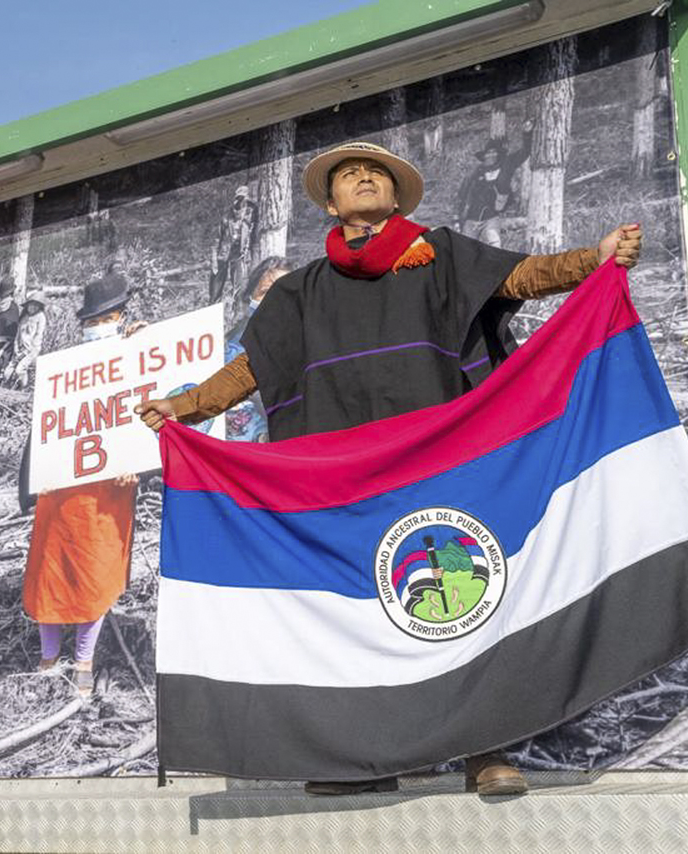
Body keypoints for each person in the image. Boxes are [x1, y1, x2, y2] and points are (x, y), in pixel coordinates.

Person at [136, 140, 642, 796]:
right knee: (356, 613)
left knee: (458, 602)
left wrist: (592, 261)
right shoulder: (296, 294)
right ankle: (360, 764)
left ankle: (482, 752)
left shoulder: (440, 257)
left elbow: (521, 277)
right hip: (341, 484)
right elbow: (252, 368)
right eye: (349, 176)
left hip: (441, 469)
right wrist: (186, 405)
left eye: (376, 173)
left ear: (396, 196)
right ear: (330, 202)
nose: (364, 179)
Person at [19, 273, 141, 697]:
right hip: (61, 485)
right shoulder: (65, 367)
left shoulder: (135, 354)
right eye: (96, 319)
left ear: (121, 317)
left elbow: (143, 414)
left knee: (95, 576)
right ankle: (48, 661)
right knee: (51, 574)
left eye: (108, 317)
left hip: (109, 489)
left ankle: (82, 664)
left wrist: (138, 464)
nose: (100, 326)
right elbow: (45, 425)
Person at [224, 256, 291, 443]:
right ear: (249, 300)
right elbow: (234, 410)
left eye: (284, 292)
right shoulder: (232, 350)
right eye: (265, 292)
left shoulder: (313, 337)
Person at [455, 120, 534, 247]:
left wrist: (527, 133)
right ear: (484, 156)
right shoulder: (476, 173)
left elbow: (525, 152)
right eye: (488, 152)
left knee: (494, 246)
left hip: (491, 218)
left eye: (494, 152)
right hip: (471, 218)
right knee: (464, 249)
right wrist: (457, 220)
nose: (491, 154)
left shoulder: (506, 165)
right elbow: (462, 196)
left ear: (499, 154)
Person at [209, 185, 259, 302]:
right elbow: (216, 240)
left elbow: (253, 238)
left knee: (240, 291)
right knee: (215, 292)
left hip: (239, 257)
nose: (241, 204)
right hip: (222, 256)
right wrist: (214, 260)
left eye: (244, 201)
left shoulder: (250, 217)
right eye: (239, 199)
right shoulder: (226, 217)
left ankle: (238, 317)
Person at [4, 288, 48, 388]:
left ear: (39, 307)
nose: (33, 308)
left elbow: (38, 336)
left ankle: (22, 389)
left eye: (36, 305)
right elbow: (18, 334)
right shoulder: (24, 317)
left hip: (31, 349)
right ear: (28, 305)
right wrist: (16, 347)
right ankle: (6, 389)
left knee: (19, 370)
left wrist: (28, 351)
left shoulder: (41, 317)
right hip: (20, 348)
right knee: (7, 373)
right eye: (31, 304)